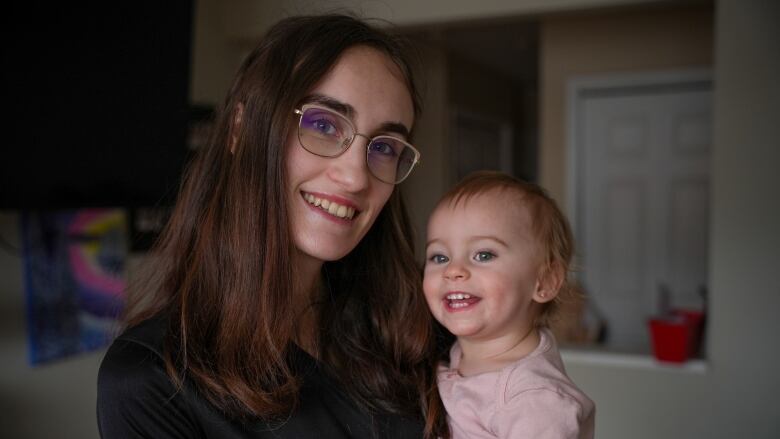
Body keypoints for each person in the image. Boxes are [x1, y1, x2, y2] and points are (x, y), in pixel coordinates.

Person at [97, 14, 448, 438]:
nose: (357, 176)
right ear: (241, 131)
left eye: (386, 147)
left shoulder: (416, 328)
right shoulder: (151, 382)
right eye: (323, 125)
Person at [423, 171, 595, 438]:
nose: (453, 270)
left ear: (544, 282)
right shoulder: (462, 353)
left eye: (483, 254)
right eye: (439, 256)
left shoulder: (535, 402)